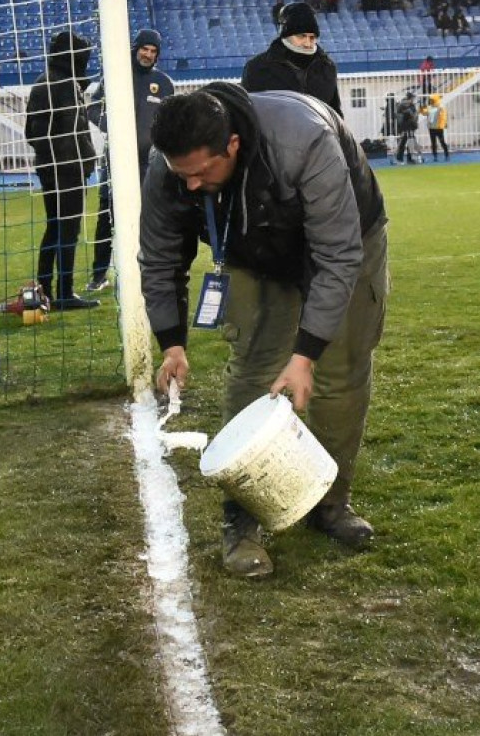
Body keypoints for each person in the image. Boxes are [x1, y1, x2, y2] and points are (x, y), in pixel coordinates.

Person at [139, 84, 389, 577]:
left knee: (340, 375)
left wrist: (305, 356)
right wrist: (172, 342)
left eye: (201, 174)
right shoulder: (168, 166)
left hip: (346, 239)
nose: (189, 186)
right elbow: (161, 257)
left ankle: (331, 503)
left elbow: (337, 256)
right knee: (254, 371)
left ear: (231, 145)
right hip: (251, 248)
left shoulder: (304, 141)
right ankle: (243, 517)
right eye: (180, 175)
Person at [85, 29, 175, 293]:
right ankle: (98, 274)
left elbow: (171, 118)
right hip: (116, 162)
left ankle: (148, 271)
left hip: (151, 163)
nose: (148, 55)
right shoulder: (115, 78)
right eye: (144, 49)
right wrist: (113, 128)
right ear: (135, 49)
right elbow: (93, 109)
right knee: (107, 214)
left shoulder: (163, 82)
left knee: (151, 217)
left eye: (153, 51)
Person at [24, 30, 100, 311]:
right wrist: (74, 160)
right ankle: (63, 293)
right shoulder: (60, 85)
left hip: (59, 167)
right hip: (65, 170)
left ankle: (46, 292)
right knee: (65, 230)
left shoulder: (50, 82)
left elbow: (34, 133)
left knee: (55, 228)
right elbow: (39, 133)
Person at [240, 2, 342, 116]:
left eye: (312, 37)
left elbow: (335, 114)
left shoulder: (327, 68)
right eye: (301, 36)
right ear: (285, 35)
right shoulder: (257, 68)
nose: (308, 43)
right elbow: (246, 115)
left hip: (319, 134)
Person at [393, 91, 421, 164]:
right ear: (410, 98)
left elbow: (413, 115)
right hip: (405, 126)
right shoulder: (404, 105)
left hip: (409, 126)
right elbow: (400, 115)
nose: (413, 100)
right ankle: (400, 158)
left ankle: (409, 158)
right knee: (403, 142)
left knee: (409, 142)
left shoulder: (410, 105)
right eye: (412, 98)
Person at [425, 94, 449, 162]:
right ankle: (435, 156)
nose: (430, 101)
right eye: (430, 100)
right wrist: (422, 108)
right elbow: (425, 113)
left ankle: (446, 155)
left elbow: (443, 116)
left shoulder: (440, 107)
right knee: (433, 143)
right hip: (431, 127)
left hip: (438, 127)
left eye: (431, 100)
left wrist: (443, 124)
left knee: (442, 142)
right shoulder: (429, 107)